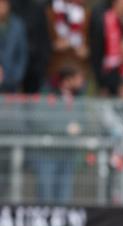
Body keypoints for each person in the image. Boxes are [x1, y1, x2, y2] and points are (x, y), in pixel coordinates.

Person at [30, 63, 85, 205]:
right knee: (45, 196)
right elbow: (38, 120)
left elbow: (83, 121)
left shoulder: (78, 98)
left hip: (68, 153)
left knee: (64, 197)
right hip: (47, 154)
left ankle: (60, 225)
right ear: (67, 79)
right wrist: (65, 128)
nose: (82, 82)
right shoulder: (47, 94)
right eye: (78, 78)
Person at [89, 0, 123, 95]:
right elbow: (96, 55)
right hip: (109, 76)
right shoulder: (102, 22)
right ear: (115, 4)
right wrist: (101, 84)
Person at [46, 0, 90, 87]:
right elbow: (43, 42)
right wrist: (53, 46)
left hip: (79, 72)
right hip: (54, 71)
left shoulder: (86, 13)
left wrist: (86, 50)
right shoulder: (49, 11)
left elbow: (91, 43)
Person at [11, 0, 50, 93]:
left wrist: (42, 64)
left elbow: (44, 39)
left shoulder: (38, 9)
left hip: (34, 68)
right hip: (10, 71)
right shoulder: (9, 8)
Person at [0, 0, 27, 93]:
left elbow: (22, 54)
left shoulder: (17, 25)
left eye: (4, 4)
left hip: (12, 82)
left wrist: (16, 77)